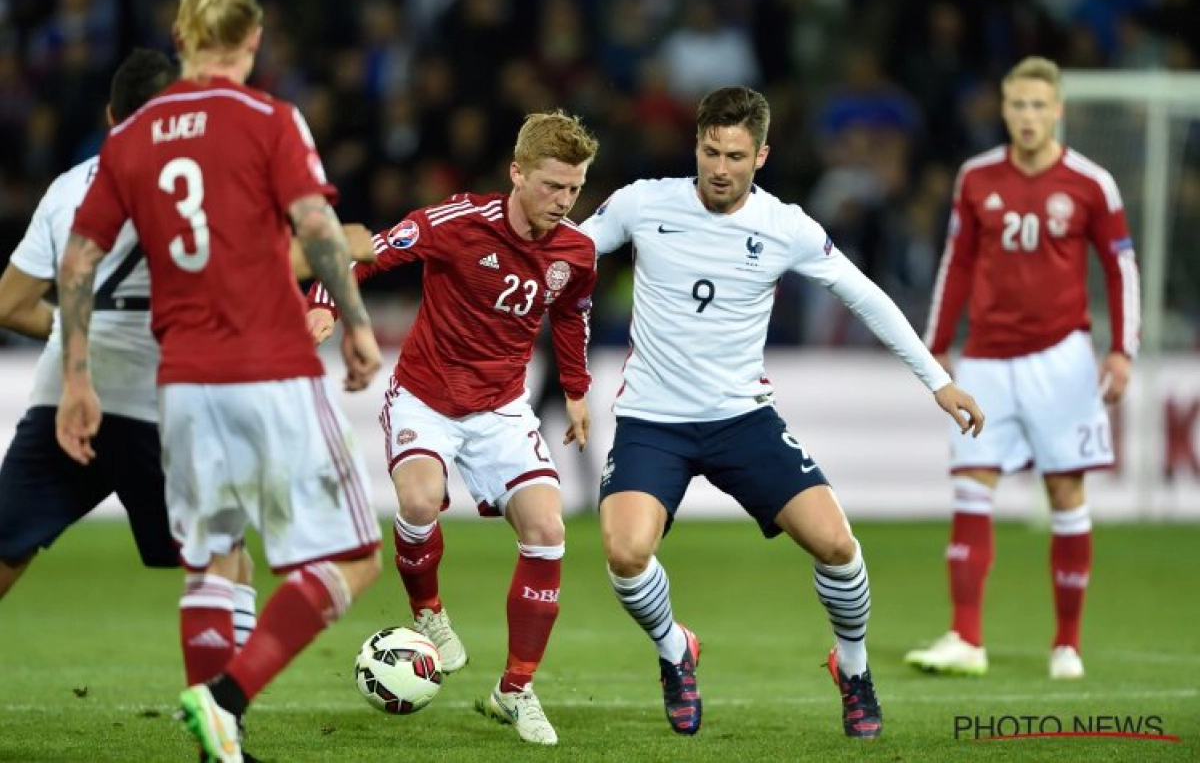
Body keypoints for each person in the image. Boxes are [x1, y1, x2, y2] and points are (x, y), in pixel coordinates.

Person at [578, 85, 984, 740]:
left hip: (744, 421)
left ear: (761, 155)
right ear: (697, 144)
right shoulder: (641, 203)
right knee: (625, 553)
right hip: (653, 420)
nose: (720, 167)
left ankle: (851, 669)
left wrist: (938, 380)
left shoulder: (786, 226)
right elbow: (565, 257)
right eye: (711, 150)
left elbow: (867, 297)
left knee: (836, 545)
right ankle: (674, 651)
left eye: (735, 155)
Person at [54, 0, 383, 763]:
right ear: (254, 40)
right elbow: (317, 223)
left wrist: (75, 376)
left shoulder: (129, 137)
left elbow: (79, 258)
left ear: (181, 38)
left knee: (208, 559)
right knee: (356, 558)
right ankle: (224, 698)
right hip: (269, 364)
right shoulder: (271, 119)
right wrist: (358, 324)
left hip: (185, 381)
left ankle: (217, 752)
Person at [0, 49, 377, 611]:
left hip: (67, 397)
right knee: (223, 559)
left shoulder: (68, 188)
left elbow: (9, 304)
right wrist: (347, 242)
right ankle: (225, 694)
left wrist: (87, 327)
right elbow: (260, 259)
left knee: (8, 547)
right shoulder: (201, 183)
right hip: (163, 402)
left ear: (111, 116)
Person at [306, 110, 599, 746]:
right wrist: (325, 307)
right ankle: (429, 613)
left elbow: (572, 313)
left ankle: (514, 692)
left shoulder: (575, 251)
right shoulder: (457, 222)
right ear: (516, 174)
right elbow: (366, 254)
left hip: (500, 407)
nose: (563, 201)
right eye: (552, 186)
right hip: (425, 398)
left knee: (549, 530)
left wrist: (576, 389)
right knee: (416, 499)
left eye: (574, 189)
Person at [905, 56, 1140, 681]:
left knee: (1066, 492)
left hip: (1062, 358)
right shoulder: (976, 178)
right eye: (1018, 105)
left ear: (1057, 109)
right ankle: (967, 637)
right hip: (985, 357)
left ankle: (1067, 643)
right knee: (970, 488)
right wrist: (936, 344)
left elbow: (1120, 268)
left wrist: (1123, 348)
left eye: (1040, 105)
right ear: (1003, 110)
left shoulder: (1092, 183)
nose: (1028, 117)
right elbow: (957, 261)